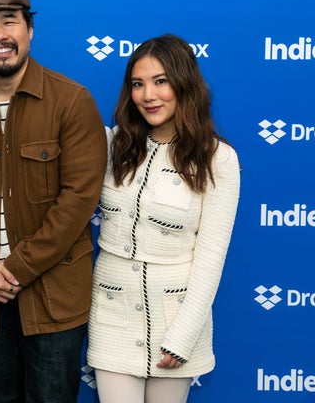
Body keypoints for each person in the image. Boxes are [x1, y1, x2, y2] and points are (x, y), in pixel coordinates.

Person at [0, 0, 107, 402]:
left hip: (52, 296)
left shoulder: (72, 101)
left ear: (29, 30)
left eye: (9, 22)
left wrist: (13, 271)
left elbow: (78, 201)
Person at [87, 34, 240, 403]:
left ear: (184, 84)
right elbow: (45, 127)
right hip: (112, 318)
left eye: (160, 82)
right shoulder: (110, 144)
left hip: (176, 320)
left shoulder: (218, 159)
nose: (148, 95)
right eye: (138, 84)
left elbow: (210, 257)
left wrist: (183, 334)